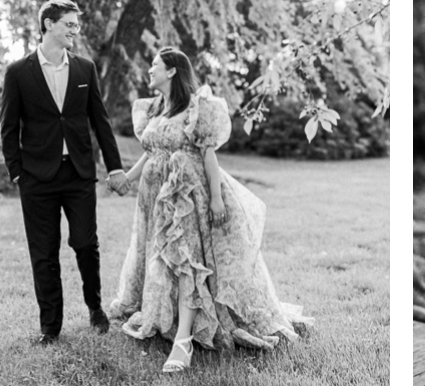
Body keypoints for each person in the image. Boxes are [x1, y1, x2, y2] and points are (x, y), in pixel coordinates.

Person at [108, 46, 312, 373]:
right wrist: (128, 179)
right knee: (161, 259)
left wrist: (216, 198)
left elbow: (208, 156)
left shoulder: (198, 108)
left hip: (186, 193)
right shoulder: (157, 108)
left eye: (155, 66)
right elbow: (153, 149)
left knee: (186, 259)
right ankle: (169, 318)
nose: (150, 71)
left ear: (172, 70)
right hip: (153, 195)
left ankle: (184, 342)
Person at [0, 0, 130, 346]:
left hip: (78, 174)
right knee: (43, 253)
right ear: (48, 25)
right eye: (69, 24)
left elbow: (100, 122)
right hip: (36, 178)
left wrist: (114, 166)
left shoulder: (85, 69)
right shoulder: (18, 72)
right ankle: (50, 327)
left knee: (86, 244)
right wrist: (17, 173)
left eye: (76, 24)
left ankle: (95, 308)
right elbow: (8, 128)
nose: (75, 29)